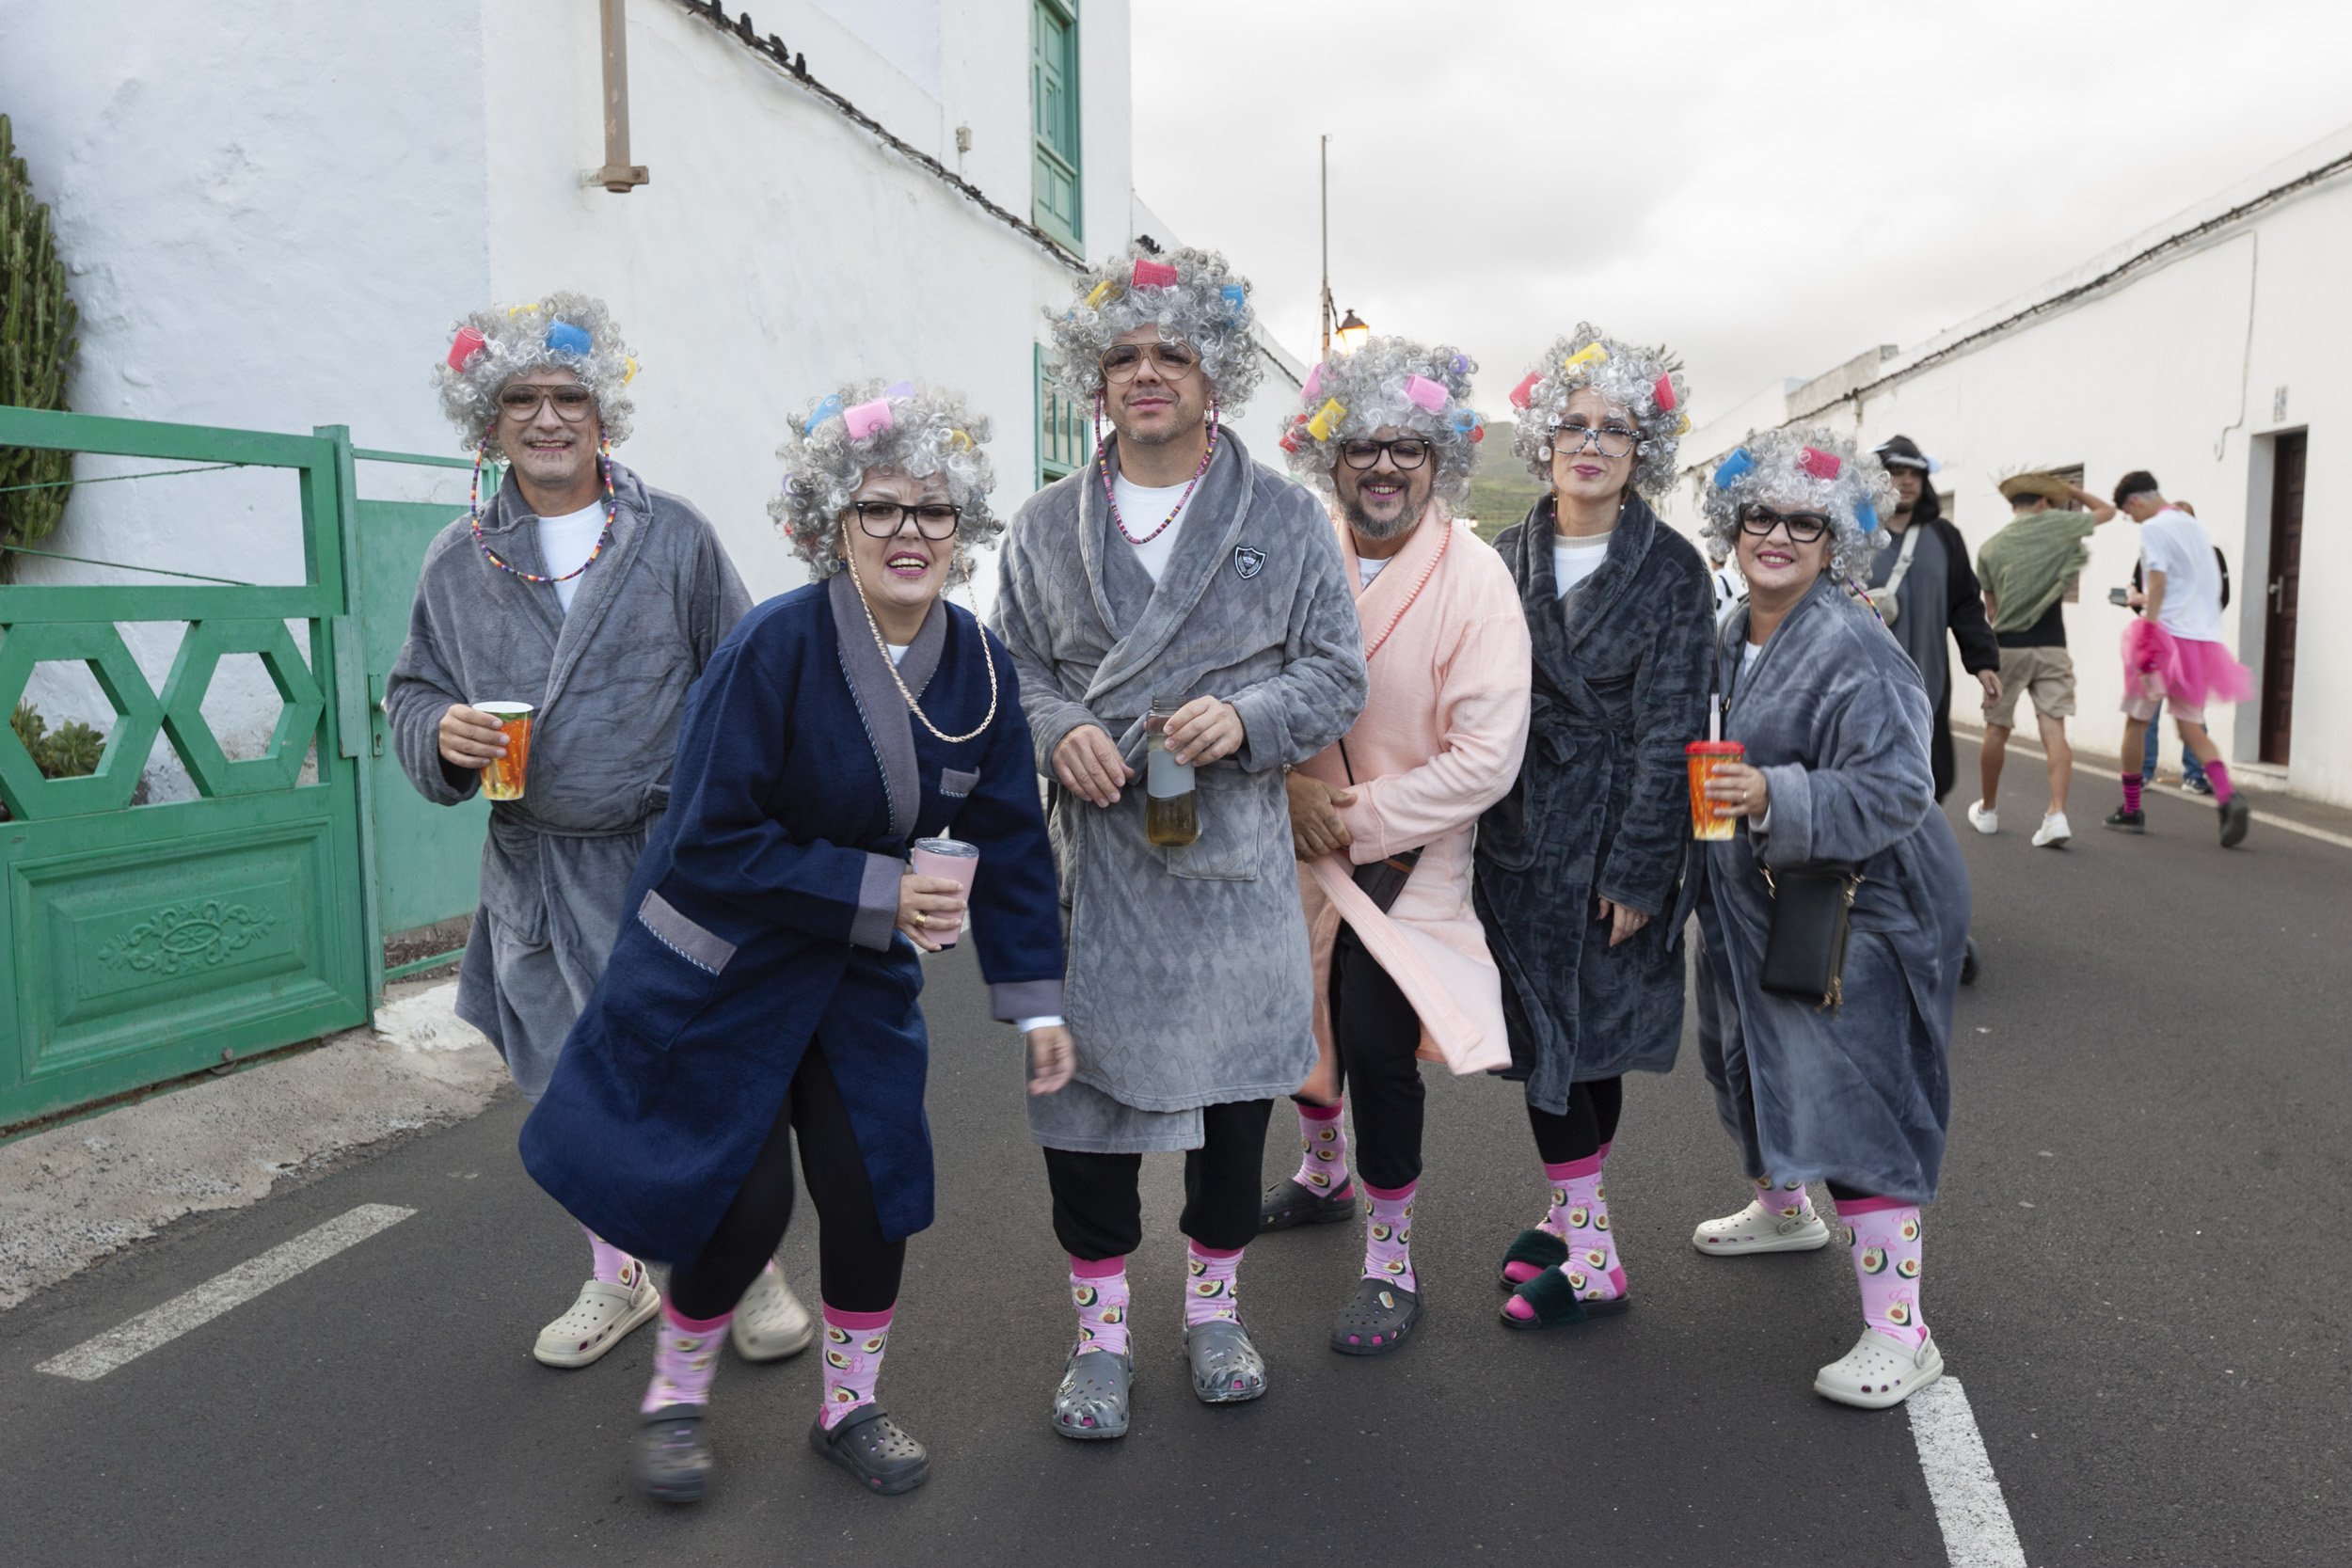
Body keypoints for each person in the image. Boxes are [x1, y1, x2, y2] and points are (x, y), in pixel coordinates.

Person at [518, 382, 1073, 1502]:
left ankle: (849, 1405)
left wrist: (1039, 1001)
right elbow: (709, 840)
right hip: (724, 968)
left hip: (858, 981)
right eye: (879, 509)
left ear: (964, 530)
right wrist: (884, 886)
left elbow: (1010, 834)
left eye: (934, 511)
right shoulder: (773, 644)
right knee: (744, 1200)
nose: (907, 533)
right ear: (833, 521)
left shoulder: (980, 666)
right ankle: (676, 1396)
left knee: (876, 1188)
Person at [387, 294, 810, 1371]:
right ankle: (617, 1274)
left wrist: (750, 836)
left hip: (669, 855)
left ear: (602, 413)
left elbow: (749, 681)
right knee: (580, 1084)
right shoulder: (456, 558)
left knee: (693, 1067)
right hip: (536, 867)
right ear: (487, 422)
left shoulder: (673, 537)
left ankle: (743, 1264)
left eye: (567, 396)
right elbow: (409, 694)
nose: (545, 417)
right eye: (519, 399)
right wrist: (442, 730)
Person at [993, 245, 1368, 1437]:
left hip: (1229, 874)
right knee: (1085, 1119)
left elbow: (1335, 674)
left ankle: (1214, 1308)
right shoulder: (1045, 524)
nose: (1147, 373)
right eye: (1123, 357)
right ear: (1092, 385)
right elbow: (1010, 671)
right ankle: (1100, 1336)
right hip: (1098, 864)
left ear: (1213, 381)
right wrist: (1057, 730)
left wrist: (1247, 717)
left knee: (1231, 1110)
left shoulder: (1286, 518)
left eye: (1172, 354)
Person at [1254, 337, 1531, 1354]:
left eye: (1406, 447)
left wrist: (1350, 815)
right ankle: (1322, 1172)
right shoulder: (1294, 553)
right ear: (1326, 455)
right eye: (1361, 445)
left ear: (1440, 459)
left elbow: (1487, 757)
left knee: (1373, 1036)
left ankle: (1390, 1255)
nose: (1382, 465)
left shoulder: (1475, 579)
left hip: (1407, 845)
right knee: (1293, 1017)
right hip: (1287, 828)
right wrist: (1282, 787)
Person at [1688, 428, 1968, 1410]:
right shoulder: (1737, 628)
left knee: (1857, 1100)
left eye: (1803, 521)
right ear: (1732, 523)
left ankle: (1903, 1329)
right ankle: (1782, 1207)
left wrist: (1773, 792)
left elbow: (1899, 789)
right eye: (1759, 514)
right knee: (1747, 1061)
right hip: (1753, 889)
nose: (1776, 535)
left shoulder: (1854, 643)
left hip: (1860, 904)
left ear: (1832, 538)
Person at [1469, 326, 1713, 1331]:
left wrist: (1642, 866)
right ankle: (1575, 1218)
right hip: (1520, 831)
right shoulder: (1502, 555)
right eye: (1572, 423)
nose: (1591, 442)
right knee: (1546, 1038)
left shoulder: (1672, 569)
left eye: (1616, 428)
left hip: (1619, 833)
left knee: (1590, 1040)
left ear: (1640, 452)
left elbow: (1671, 730)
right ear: (1540, 439)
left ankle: (1593, 1251)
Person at [1969, 471, 2116, 847]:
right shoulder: (2059, 524)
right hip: (2052, 645)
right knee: (2054, 730)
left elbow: (1991, 608)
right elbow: (2107, 511)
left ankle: (1988, 810)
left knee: (1996, 728)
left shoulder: (1990, 548)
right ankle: (2056, 813)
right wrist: (2070, 489)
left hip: (2008, 646)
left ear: (2015, 504)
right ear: (2042, 502)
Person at [2105, 472, 2252, 846]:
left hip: (2164, 639)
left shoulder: (2154, 528)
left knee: (2137, 722)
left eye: (2127, 513)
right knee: (2190, 727)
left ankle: (2132, 809)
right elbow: (2210, 586)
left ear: (2135, 502)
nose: (2131, 520)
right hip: (2200, 643)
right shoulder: (2192, 526)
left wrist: (2149, 634)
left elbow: (2157, 583)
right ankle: (2226, 796)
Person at [1865, 436, 2001, 804]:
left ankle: (1915, 858)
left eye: (1914, 473)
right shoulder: (1855, 537)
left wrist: (1983, 662)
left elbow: (1966, 605)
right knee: (1865, 782)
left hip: (1927, 686)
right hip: (1861, 687)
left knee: (1932, 780)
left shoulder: (1944, 537)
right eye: (1894, 472)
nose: (1905, 481)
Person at [1708, 532, 1747, 632]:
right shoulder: (1734, 577)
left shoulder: (1715, 578)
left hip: (1718, 627)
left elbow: (1715, 603)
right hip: (1731, 625)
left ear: (1713, 561)